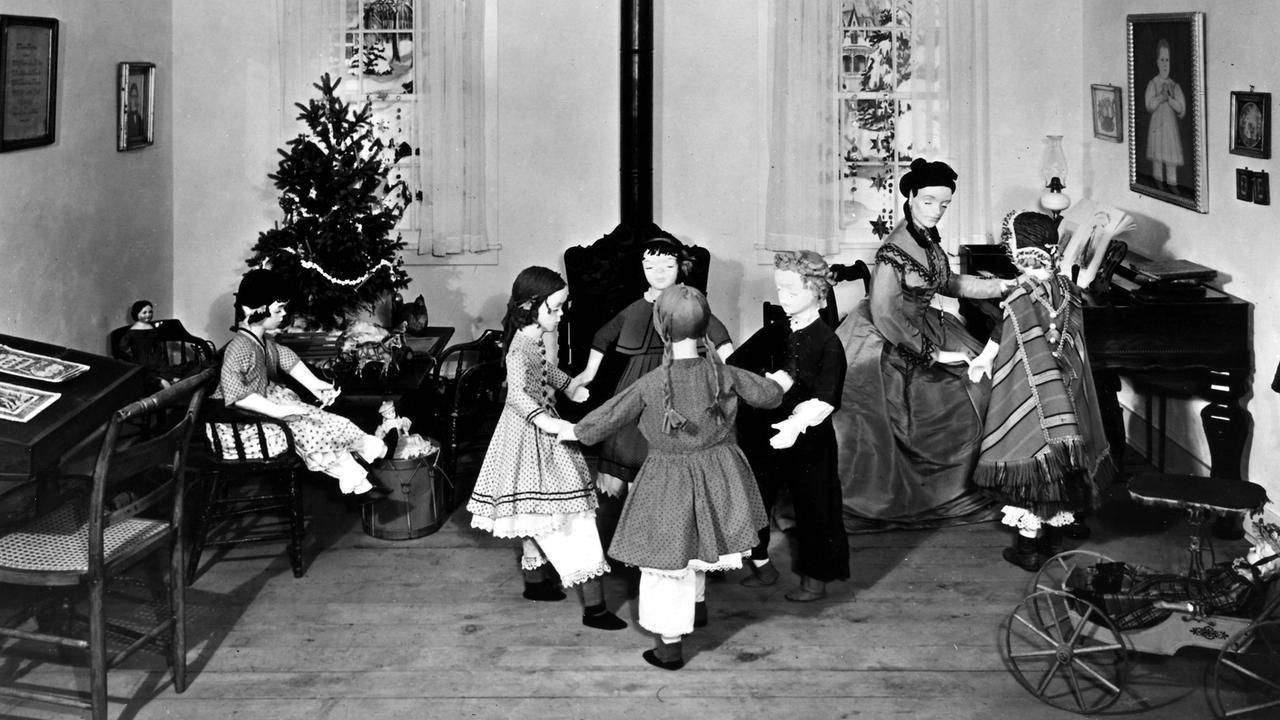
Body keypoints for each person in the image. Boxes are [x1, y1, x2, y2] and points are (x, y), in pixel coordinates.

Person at [563, 285, 784, 670]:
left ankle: (669, 647)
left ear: (661, 329)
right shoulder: (724, 372)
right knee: (701, 545)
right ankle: (697, 610)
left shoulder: (650, 384)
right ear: (706, 327)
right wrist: (781, 381)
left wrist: (567, 429)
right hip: (719, 474)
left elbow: (604, 420)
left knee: (667, 564)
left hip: (669, 481)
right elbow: (769, 396)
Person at [832, 158, 1015, 531]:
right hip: (887, 337)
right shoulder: (893, 250)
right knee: (947, 401)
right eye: (929, 201)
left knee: (979, 385)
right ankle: (936, 492)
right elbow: (886, 316)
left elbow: (948, 282)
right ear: (911, 197)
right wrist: (938, 354)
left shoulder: (926, 237)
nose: (936, 211)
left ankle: (967, 480)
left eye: (944, 204)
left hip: (921, 323)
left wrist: (1001, 286)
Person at [465, 266, 626, 631]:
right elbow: (518, 392)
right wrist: (547, 421)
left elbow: (543, 370)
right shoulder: (519, 346)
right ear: (528, 306)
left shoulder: (530, 338)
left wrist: (569, 385)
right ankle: (595, 608)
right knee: (569, 516)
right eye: (554, 309)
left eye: (561, 307)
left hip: (529, 430)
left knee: (533, 512)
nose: (560, 314)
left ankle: (536, 584)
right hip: (529, 432)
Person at [966, 211, 1113, 571]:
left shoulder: (1021, 294)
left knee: (1033, 457)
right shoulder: (1066, 287)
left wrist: (984, 359)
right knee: (1060, 465)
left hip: (1034, 392)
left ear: (1023, 252)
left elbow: (1004, 334)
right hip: (1064, 388)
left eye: (1012, 246)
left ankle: (1029, 548)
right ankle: (1054, 537)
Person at [571, 236, 735, 497]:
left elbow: (719, 334)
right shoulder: (635, 308)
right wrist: (588, 374)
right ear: (642, 268)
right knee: (630, 437)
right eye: (650, 266)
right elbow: (603, 336)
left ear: (679, 267)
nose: (659, 273)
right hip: (640, 378)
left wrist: (733, 369)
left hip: (683, 375)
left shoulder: (690, 302)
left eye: (667, 266)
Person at [729, 251, 849, 601]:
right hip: (762, 429)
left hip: (809, 437)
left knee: (815, 502)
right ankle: (762, 564)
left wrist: (796, 424)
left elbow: (826, 399)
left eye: (792, 292)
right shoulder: (775, 330)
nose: (783, 299)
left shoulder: (828, 342)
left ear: (816, 292)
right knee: (755, 496)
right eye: (779, 290)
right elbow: (737, 365)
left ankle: (815, 578)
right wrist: (763, 386)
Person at [212, 268, 390, 500]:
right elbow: (237, 393)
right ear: (251, 310)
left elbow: (285, 358)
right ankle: (354, 476)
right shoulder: (239, 348)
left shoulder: (260, 342)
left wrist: (314, 384)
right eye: (278, 309)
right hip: (238, 425)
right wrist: (278, 410)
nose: (283, 314)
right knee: (308, 428)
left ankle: (363, 448)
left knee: (318, 418)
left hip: (258, 410)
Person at [1144, 38, 1186, 191]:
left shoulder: (1174, 86)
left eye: (1167, 60)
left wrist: (1170, 99)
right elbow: (1149, 105)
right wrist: (1161, 97)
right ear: (1157, 62)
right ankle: (1158, 184)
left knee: (1170, 158)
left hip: (1169, 130)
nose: (1164, 64)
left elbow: (1181, 109)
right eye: (1162, 60)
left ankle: (1173, 185)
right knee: (1157, 158)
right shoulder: (1153, 84)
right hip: (1157, 129)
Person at [117, 300, 177, 387]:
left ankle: (169, 380)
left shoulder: (151, 329)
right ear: (136, 314)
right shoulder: (133, 331)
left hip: (153, 358)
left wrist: (157, 355)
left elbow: (157, 345)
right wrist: (132, 358)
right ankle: (161, 381)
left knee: (163, 368)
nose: (148, 315)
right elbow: (123, 347)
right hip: (139, 359)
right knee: (146, 373)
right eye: (144, 312)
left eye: (150, 312)